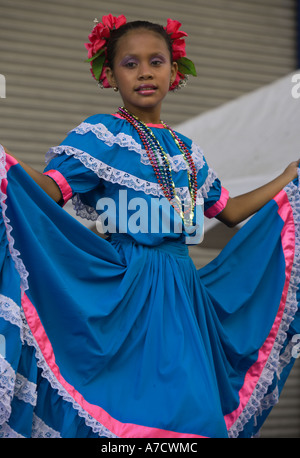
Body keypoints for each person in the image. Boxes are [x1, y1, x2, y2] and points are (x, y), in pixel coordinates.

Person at [0, 14, 299, 439]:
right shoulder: (103, 135)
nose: (145, 72)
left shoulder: (186, 151)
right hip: (126, 291)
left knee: (195, 417)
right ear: (110, 75)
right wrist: (7, 163)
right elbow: (51, 190)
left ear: (174, 72)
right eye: (130, 63)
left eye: (156, 61)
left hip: (183, 293)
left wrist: (286, 179)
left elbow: (229, 211)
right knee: (132, 419)